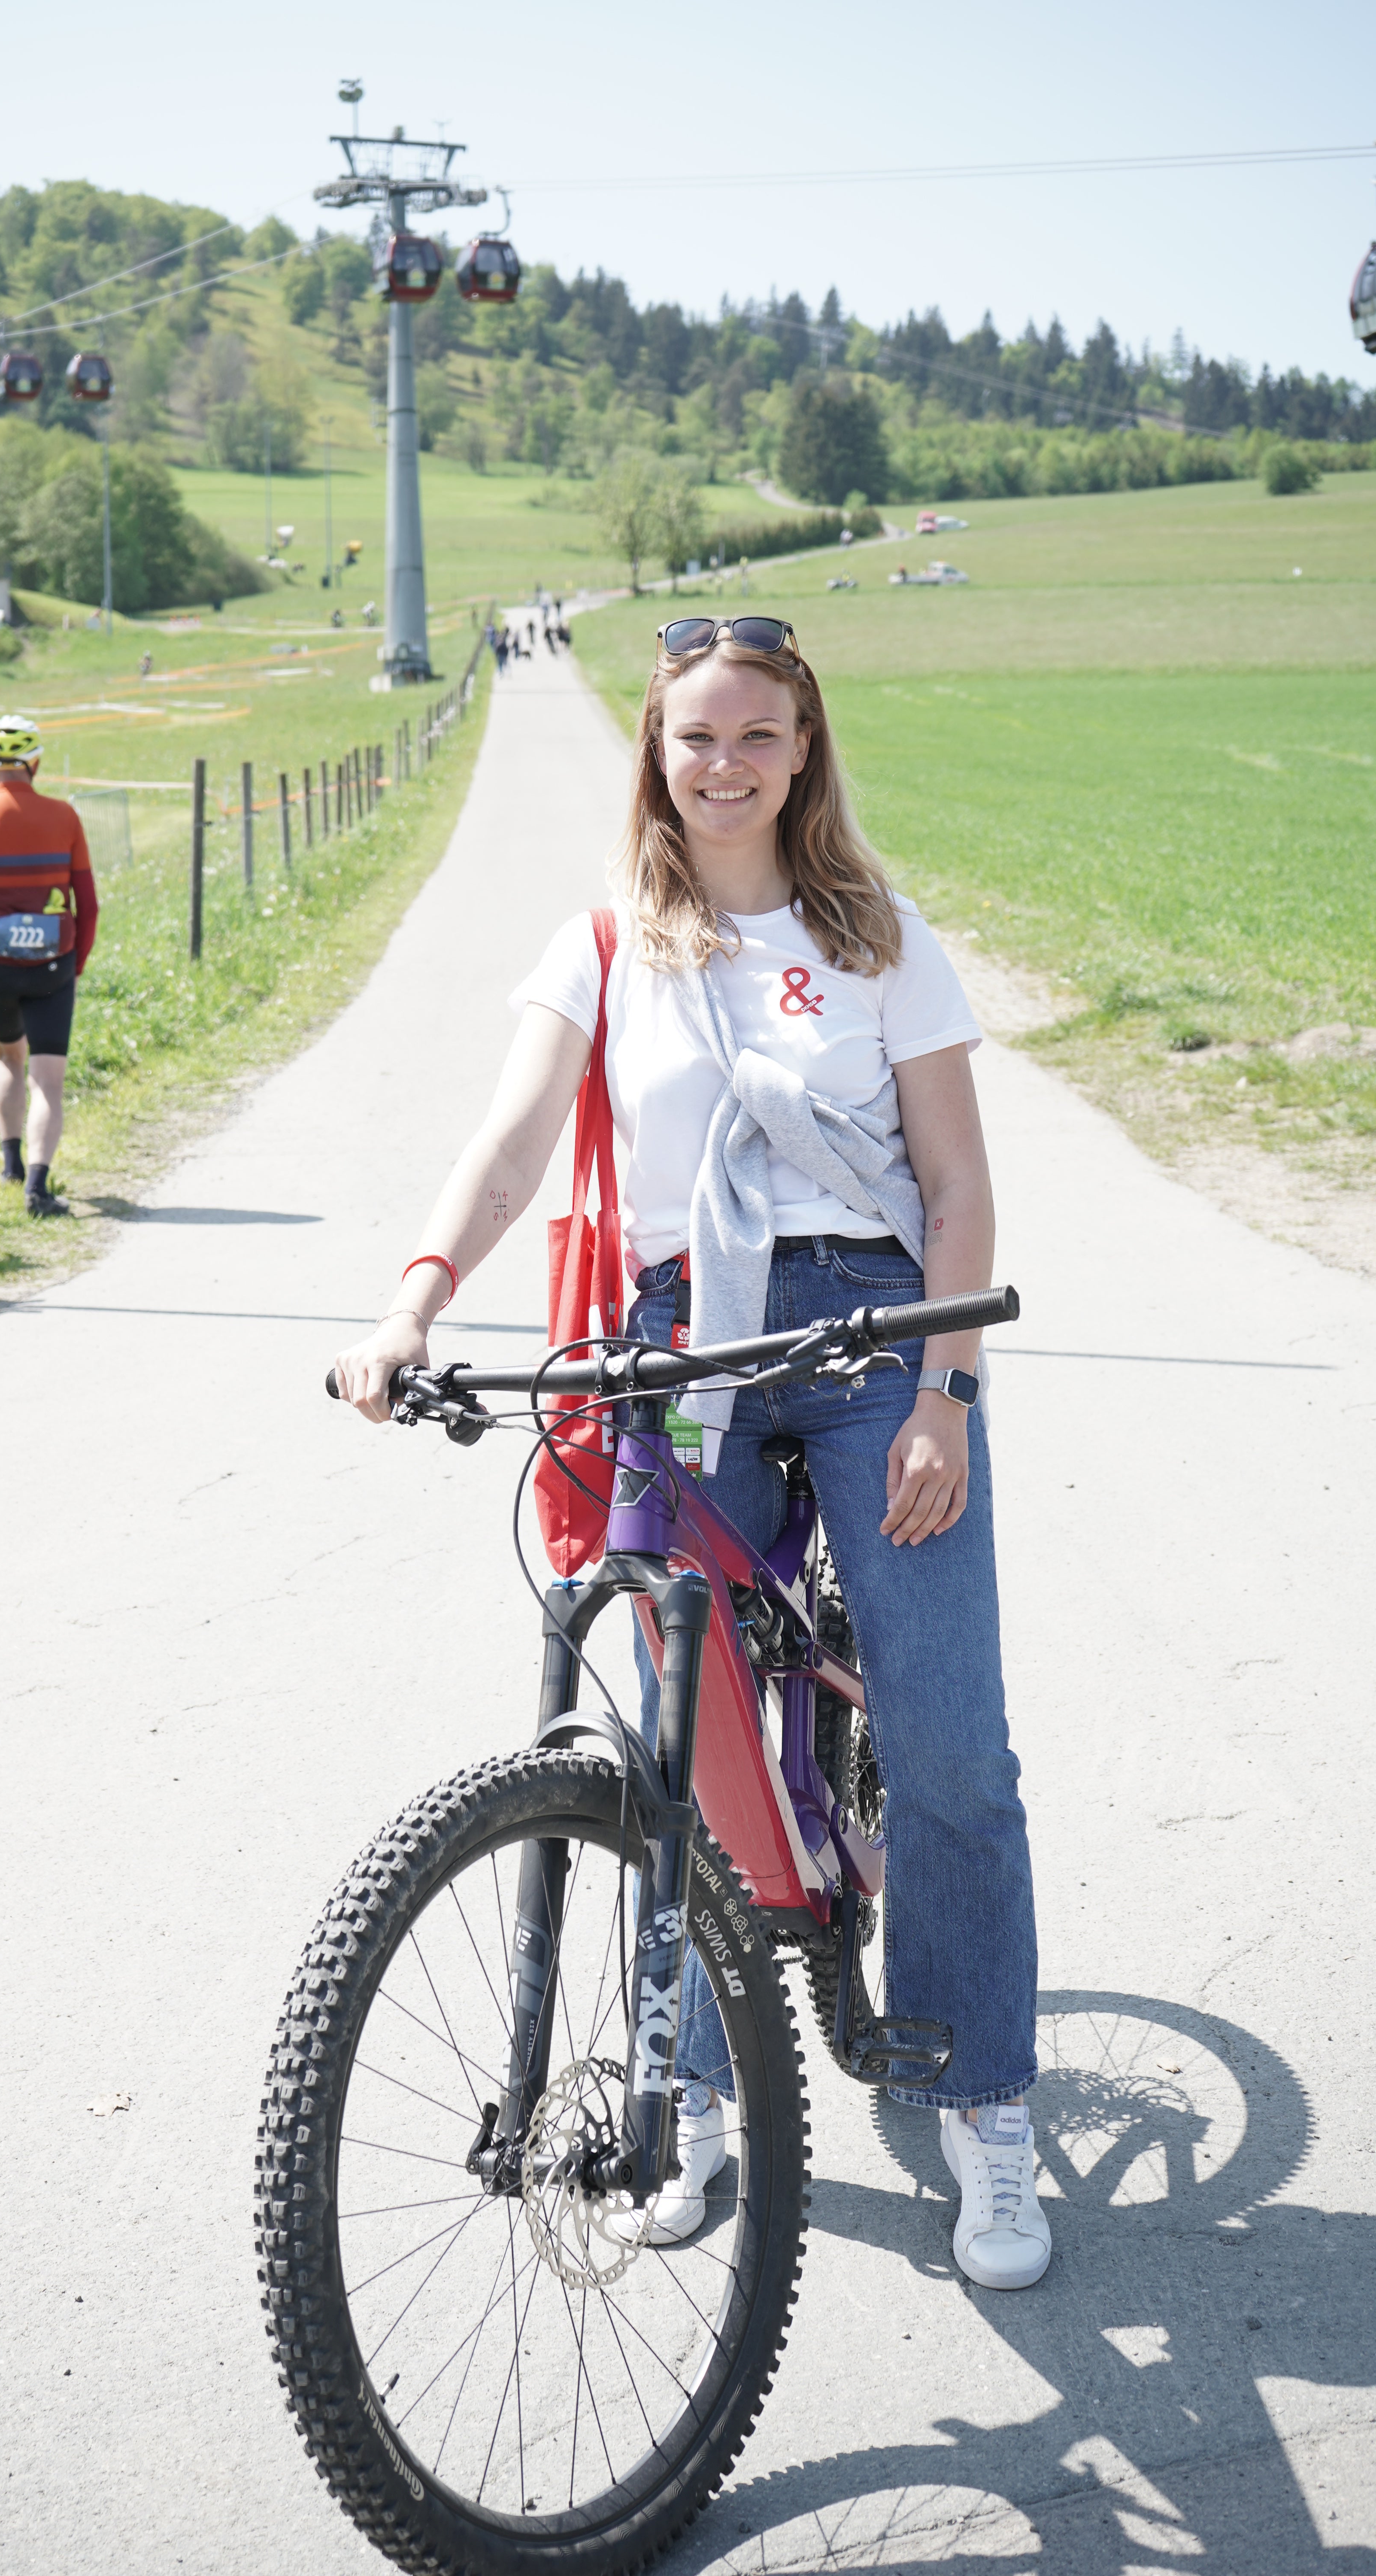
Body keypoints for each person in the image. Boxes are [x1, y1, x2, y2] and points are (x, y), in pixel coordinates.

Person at [333, 615, 1048, 2292]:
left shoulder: (880, 941)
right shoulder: (602, 946)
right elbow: (509, 1146)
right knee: (675, 1754)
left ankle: (986, 2105)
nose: (721, 765)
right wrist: (411, 1306)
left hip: (875, 1334)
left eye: (756, 736)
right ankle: (693, 2098)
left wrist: (943, 1391)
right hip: (680, 1341)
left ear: (805, 750)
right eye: (692, 737)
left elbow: (955, 1188)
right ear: (651, 750)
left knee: (952, 1751)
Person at [0, 716, 99, 1218]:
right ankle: (38, 1188)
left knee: (9, 1059)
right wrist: (75, 964)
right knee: (47, 1081)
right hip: (55, 966)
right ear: (36, 763)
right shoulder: (66, 817)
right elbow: (88, 906)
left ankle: (10, 1166)